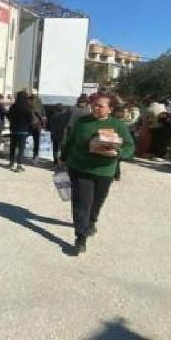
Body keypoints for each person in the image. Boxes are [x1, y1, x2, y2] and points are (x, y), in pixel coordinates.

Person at [61, 94, 134, 255]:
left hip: (104, 171)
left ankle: (92, 221)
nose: (95, 108)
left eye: (100, 106)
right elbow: (70, 141)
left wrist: (117, 152)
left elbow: (130, 148)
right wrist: (62, 158)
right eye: (94, 105)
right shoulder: (82, 122)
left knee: (96, 202)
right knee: (81, 203)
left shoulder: (117, 125)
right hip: (80, 169)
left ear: (110, 109)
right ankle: (80, 237)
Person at [7, 91, 34, 172]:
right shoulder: (27, 107)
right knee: (21, 148)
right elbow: (30, 119)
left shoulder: (13, 107)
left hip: (13, 130)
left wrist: (13, 122)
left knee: (12, 147)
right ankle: (19, 165)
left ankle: (11, 163)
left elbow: (8, 116)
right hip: (23, 131)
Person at [28, 91, 46, 164]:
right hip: (36, 124)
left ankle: (21, 154)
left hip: (29, 123)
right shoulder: (37, 101)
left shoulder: (29, 101)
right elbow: (38, 112)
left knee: (25, 139)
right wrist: (42, 120)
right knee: (36, 141)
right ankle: (35, 157)